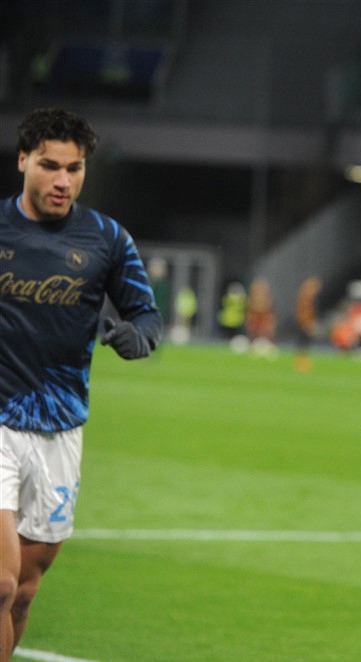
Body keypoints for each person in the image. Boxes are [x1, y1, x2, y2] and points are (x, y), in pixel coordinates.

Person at [0, 107, 162, 662]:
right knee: (1, 583)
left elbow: (146, 316)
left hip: (61, 429)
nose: (63, 181)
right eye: (50, 166)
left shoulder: (107, 239)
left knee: (24, 591)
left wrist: (137, 338)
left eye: (75, 168)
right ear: (23, 160)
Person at [293, 275, 322, 372]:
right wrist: (307, 322)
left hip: (305, 321)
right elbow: (304, 312)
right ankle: (301, 362)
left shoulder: (307, 296)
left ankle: (302, 361)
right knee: (303, 342)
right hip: (305, 322)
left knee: (304, 342)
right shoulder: (306, 297)